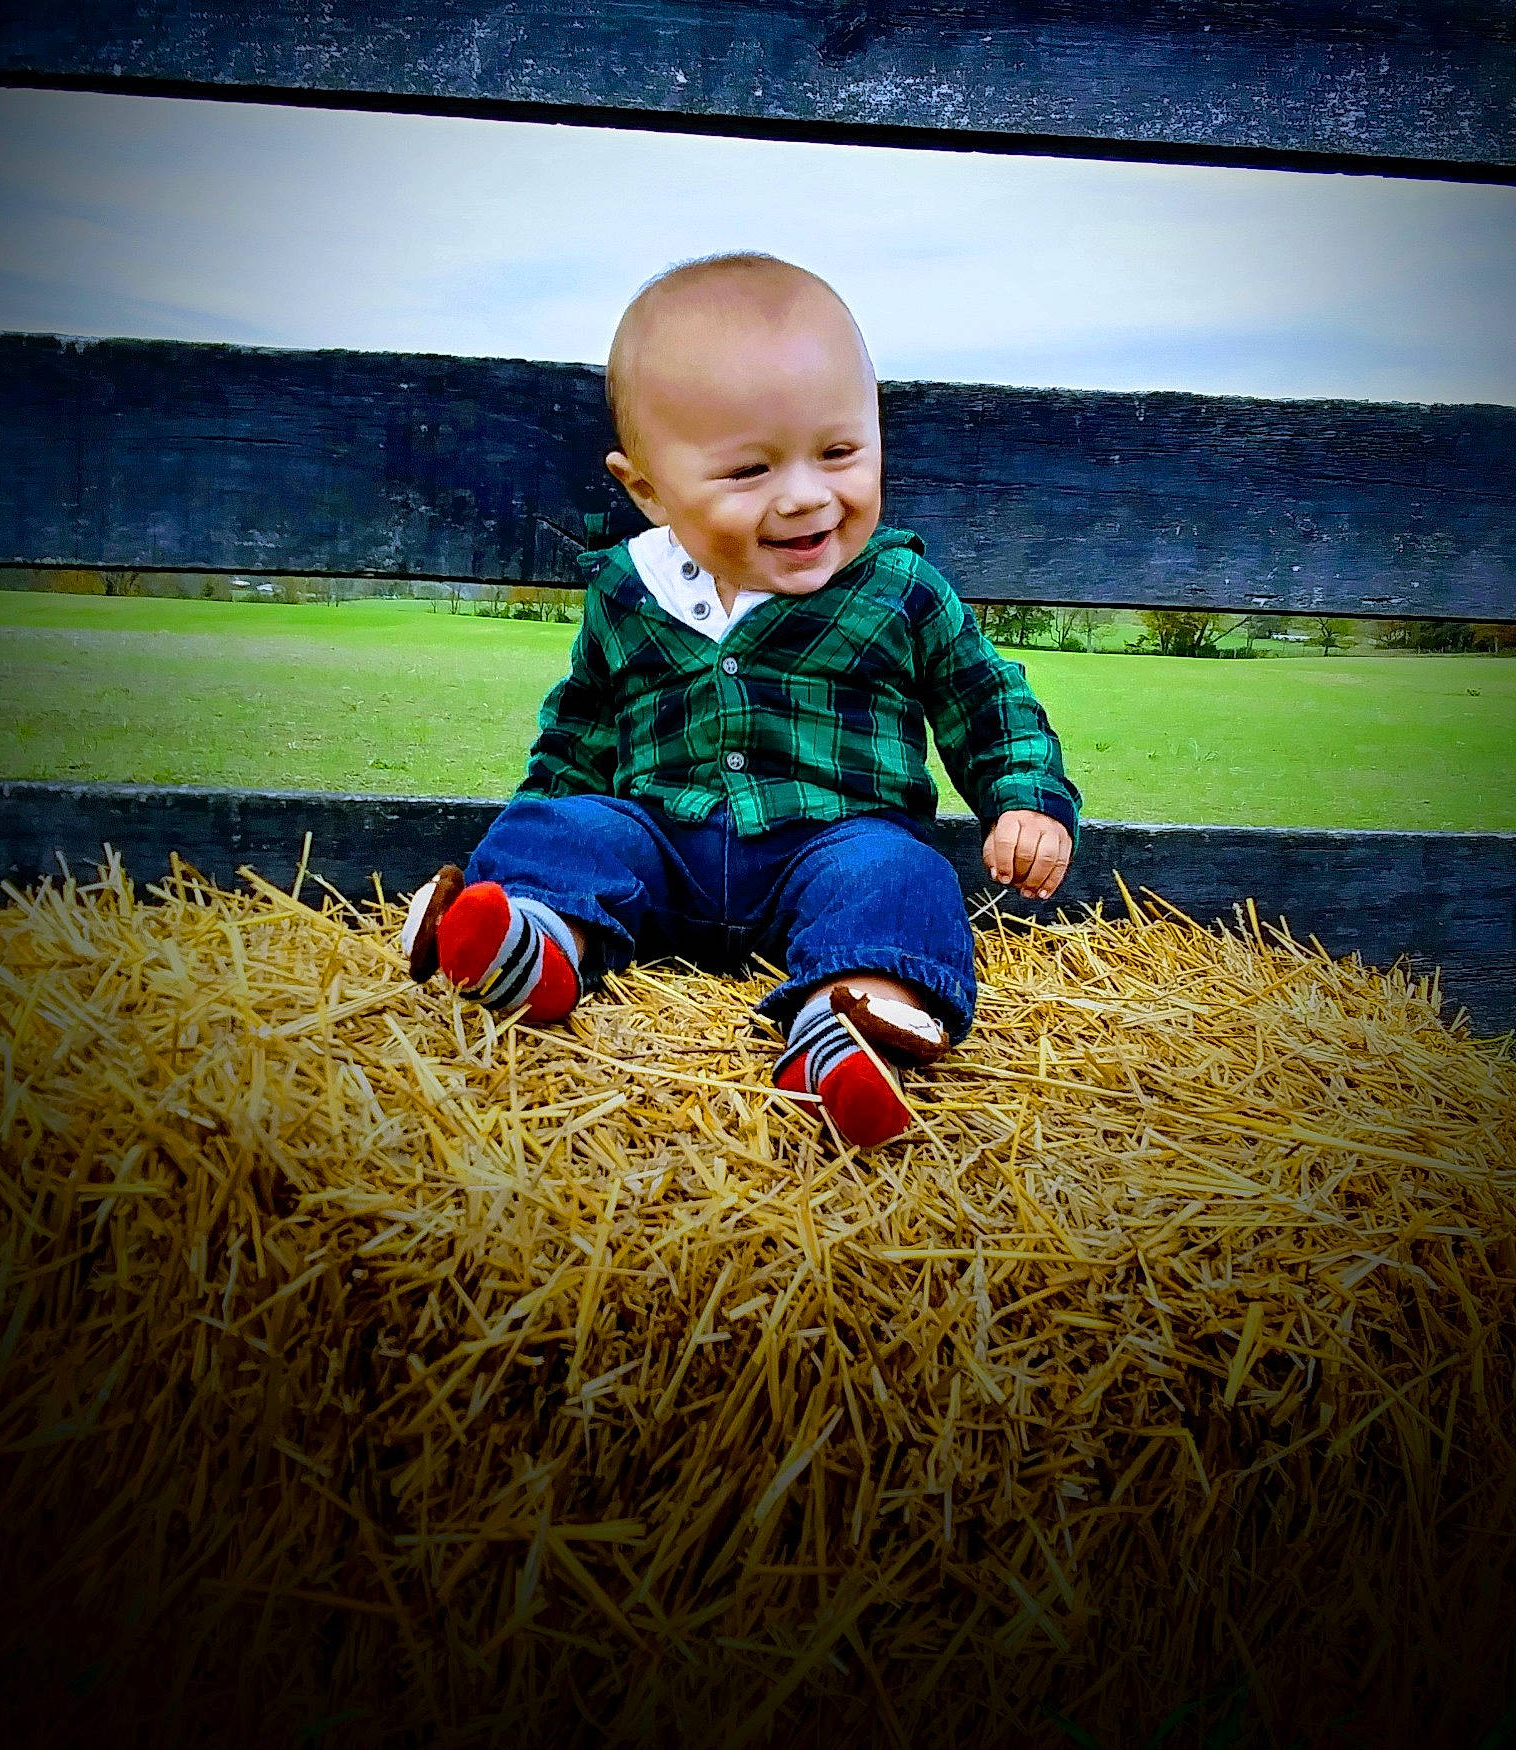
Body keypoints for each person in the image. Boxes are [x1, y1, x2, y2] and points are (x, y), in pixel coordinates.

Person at [401, 253, 1080, 1147]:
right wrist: (541, 822)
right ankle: (533, 945)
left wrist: (1026, 800)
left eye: (839, 452)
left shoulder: (899, 589)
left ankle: (850, 1021)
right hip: (660, 851)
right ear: (648, 489)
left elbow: (989, 701)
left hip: (833, 848)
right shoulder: (625, 591)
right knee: (559, 826)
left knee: (906, 875)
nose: (807, 496)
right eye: (749, 472)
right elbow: (579, 731)